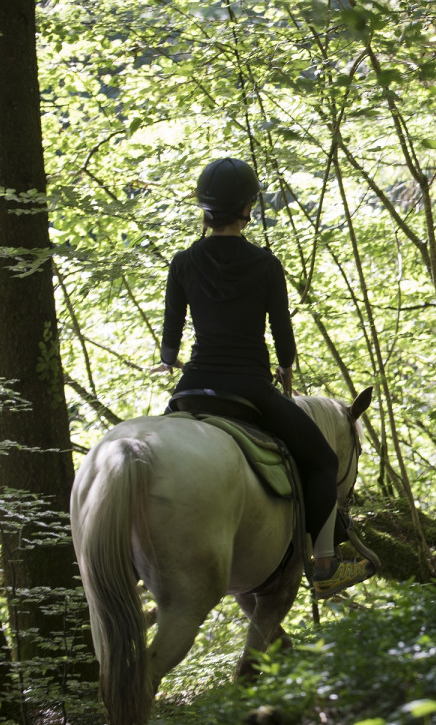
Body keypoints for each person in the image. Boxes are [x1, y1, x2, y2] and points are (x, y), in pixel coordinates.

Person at [155, 157, 368, 598]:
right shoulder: (266, 264)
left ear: (204, 208)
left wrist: (171, 358)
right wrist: (286, 368)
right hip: (249, 386)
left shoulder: (183, 261)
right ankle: (325, 566)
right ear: (248, 207)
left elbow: (171, 337)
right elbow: (282, 335)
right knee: (324, 461)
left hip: (191, 387)